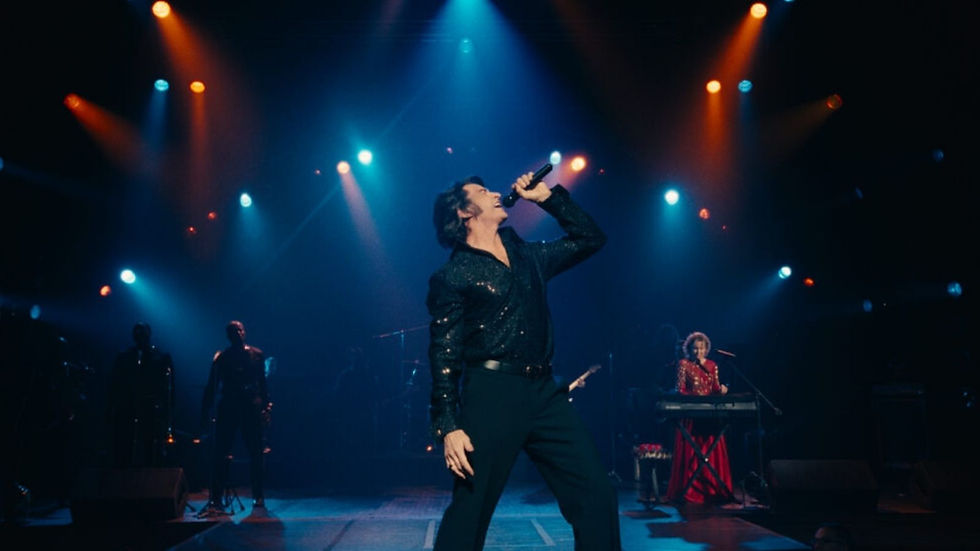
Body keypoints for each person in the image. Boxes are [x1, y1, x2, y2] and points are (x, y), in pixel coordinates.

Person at [427, 172, 620, 550]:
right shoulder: (453, 275)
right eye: (483, 192)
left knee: (595, 493)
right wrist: (448, 424)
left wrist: (547, 198)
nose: (497, 192)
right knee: (471, 509)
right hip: (491, 394)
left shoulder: (529, 256)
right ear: (465, 212)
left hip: (545, 393)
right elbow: (443, 352)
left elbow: (590, 238)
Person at [201, 320, 271, 511]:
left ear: (244, 332)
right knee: (222, 452)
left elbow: (262, 382)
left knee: (256, 451)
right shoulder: (222, 358)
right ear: (229, 335)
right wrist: (206, 409)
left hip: (250, 405)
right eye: (234, 331)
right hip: (230, 405)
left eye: (240, 330)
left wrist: (266, 404)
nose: (238, 333)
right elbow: (212, 385)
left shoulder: (256, 355)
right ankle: (216, 497)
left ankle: (258, 495)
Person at [665, 331, 733, 504]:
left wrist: (722, 391)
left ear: (706, 349)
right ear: (689, 349)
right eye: (695, 349)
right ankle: (689, 490)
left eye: (701, 349)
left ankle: (712, 487)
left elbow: (715, 388)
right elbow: (679, 389)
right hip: (691, 415)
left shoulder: (712, 365)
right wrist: (694, 398)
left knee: (711, 448)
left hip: (710, 414)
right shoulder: (684, 364)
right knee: (693, 452)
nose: (698, 352)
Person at [107, 322, 175, 468]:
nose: (139, 336)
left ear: (149, 334)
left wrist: (164, 408)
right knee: (125, 443)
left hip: (150, 406)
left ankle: (148, 477)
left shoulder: (160, 356)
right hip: (128, 405)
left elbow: (167, 386)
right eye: (137, 332)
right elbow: (115, 383)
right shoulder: (124, 356)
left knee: (149, 444)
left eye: (142, 332)